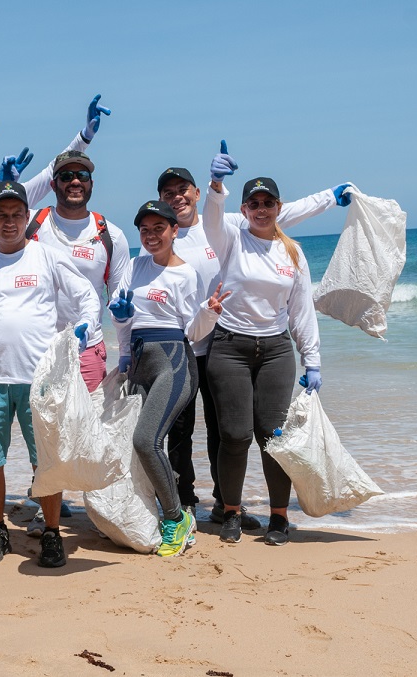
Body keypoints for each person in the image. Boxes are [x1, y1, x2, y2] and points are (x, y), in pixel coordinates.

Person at [155, 157, 351, 525]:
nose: (177, 197)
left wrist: (329, 197)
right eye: (169, 193)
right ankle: (182, 505)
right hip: (185, 344)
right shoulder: (164, 234)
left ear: (196, 193)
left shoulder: (230, 227)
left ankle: (225, 504)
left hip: (218, 342)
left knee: (228, 431)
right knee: (181, 432)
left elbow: (280, 216)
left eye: (183, 189)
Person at [0, 94, 116, 535]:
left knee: (67, 438)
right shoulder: (36, 220)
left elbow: (111, 286)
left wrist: (110, 332)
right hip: (27, 354)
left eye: (80, 177)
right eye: (64, 177)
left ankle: (75, 510)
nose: (72, 181)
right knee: (21, 441)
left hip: (82, 345)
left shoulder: (108, 230)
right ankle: (32, 512)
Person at [0, 181, 99, 568]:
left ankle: (53, 533)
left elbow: (87, 297)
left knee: (45, 460)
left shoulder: (46, 257)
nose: (9, 223)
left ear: (27, 218)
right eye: (1, 216)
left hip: (40, 379)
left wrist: (87, 326)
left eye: (16, 215)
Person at [202, 151, 323, 547]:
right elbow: (212, 220)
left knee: (273, 436)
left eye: (267, 203)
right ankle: (232, 513)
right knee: (234, 435)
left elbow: (301, 310)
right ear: (244, 209)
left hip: (275, 352)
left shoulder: (293, 252)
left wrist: (313, 360)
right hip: (230, 348)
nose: (260, 209)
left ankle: (279, 517)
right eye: (253, 203)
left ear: (278, 207)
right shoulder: (231, 240)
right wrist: (216, 187)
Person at [110, 201, 228, 557]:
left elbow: (192, 331)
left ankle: (178, 519)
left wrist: (209, 312)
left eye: (158, 228)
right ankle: (155, 512)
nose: (150, 236)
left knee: (147, 441)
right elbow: (121, 315)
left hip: (174, 363)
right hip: (140, 361)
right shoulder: (134, 266)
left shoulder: (185, 274)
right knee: (132, 445)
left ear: (174, 231)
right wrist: (120, 319)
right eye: (144, 230)